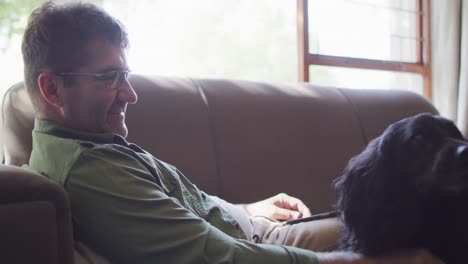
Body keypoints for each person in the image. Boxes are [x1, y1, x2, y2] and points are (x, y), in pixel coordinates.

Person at [21, 2, 443, 264]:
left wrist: (245, 209)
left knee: (421, 209)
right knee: (420, 227)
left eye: (125, 75)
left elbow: (182, 212)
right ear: (53, 88)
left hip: (253, 231)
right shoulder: (88, 170)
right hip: (257, 251)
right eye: (109, 78)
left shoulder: (88, 144)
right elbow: (217, 258)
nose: (129, 93)